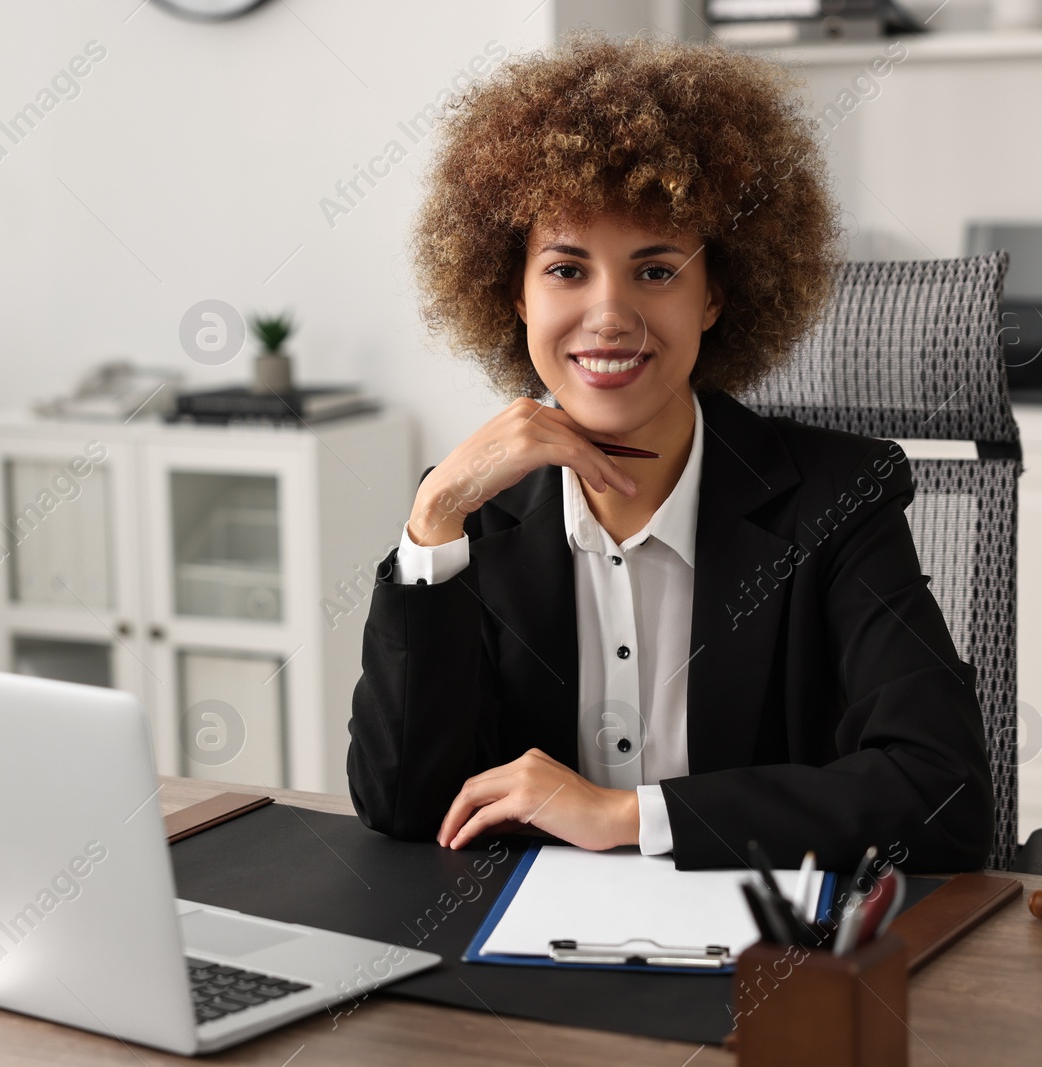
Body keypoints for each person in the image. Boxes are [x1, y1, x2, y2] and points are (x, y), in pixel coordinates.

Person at [345, 32, 993, 872]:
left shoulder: (840, 497)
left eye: (654, 271)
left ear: (716, 294)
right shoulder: (475, 512)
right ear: (514, 291)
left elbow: (944, 799)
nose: (608, 314)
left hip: (770, 968)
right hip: (528, 973)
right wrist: (432, 521)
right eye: (567, 270)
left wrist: (626, 814)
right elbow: (405, 807)